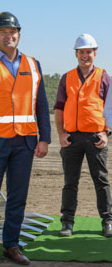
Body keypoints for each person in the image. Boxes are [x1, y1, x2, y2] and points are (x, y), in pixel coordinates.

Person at [0, 12, 51, 267]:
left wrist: (44, 137)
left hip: (24, 142)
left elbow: (42, 105)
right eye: (3, 32)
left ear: (19, 34)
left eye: (12, 31)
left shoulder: (33, 64)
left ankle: (11, 245)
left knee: (18, 197)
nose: (8, 36)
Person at [54, 33, 112, 238]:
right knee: (70, 182)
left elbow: (111, 110)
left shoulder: (105, 77)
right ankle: (67, 223)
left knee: (101, 181)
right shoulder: (66, 78)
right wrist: (61, 133)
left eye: (89, 52)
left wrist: (107, 133)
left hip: (96, 138)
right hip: (71, 138)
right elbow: (59, 109)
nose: (85, 56)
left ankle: (108, 221)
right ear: (76, 54)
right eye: (81, 52)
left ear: (95, 53)